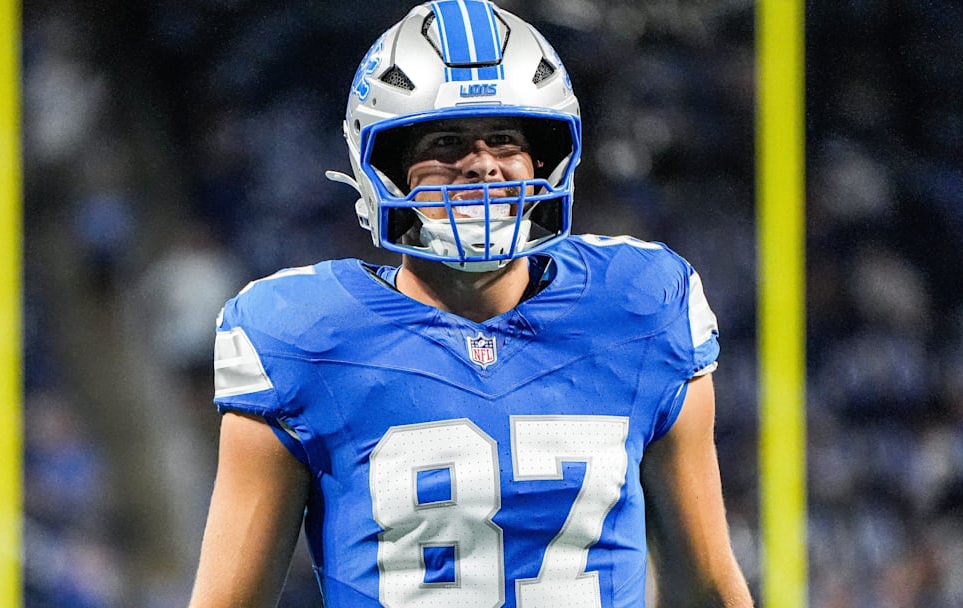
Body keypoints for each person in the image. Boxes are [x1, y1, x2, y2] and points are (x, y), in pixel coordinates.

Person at [189, 1, 753, 606]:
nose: (482, 163)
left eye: (505, 138)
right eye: (446, 140)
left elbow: (709, 583)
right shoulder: (302, 337)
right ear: (385, 168)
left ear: (546, 156)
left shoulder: (640, 308)